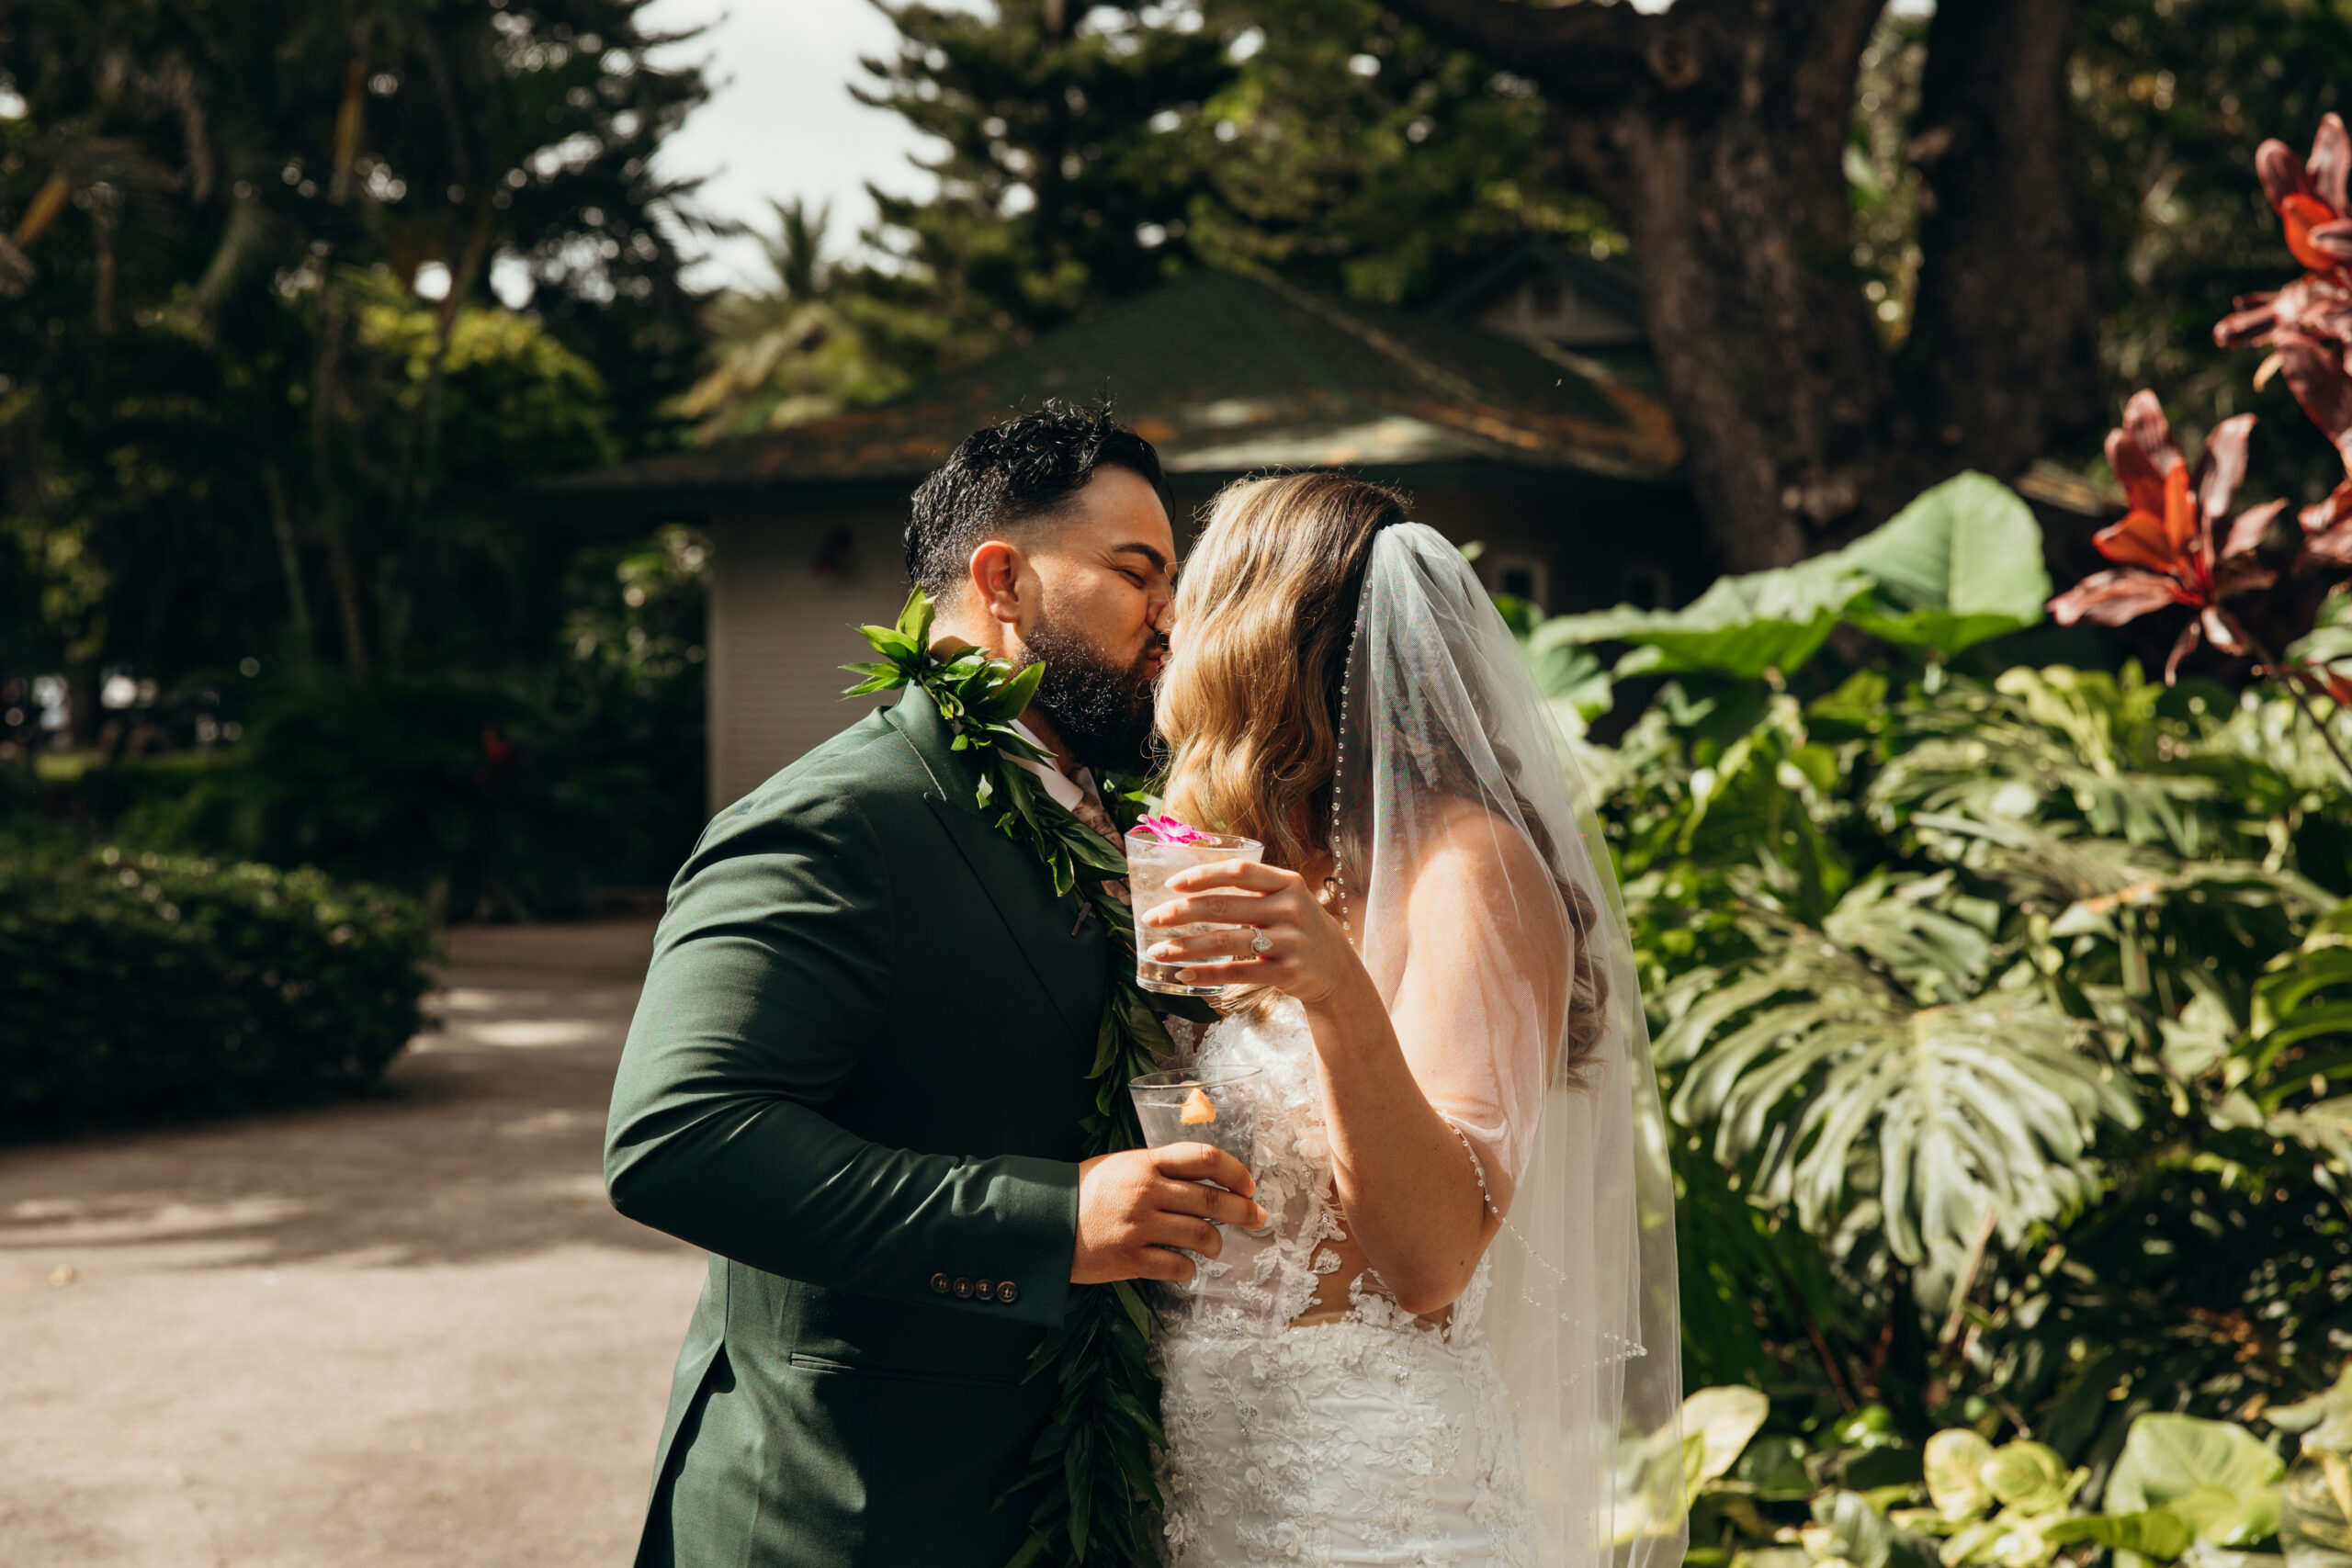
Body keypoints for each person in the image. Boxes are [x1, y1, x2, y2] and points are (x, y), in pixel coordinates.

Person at [602, 403, 1265, 1568]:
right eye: (1135, 572)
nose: (1174, 618)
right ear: (1002, 581)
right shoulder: (835, 821)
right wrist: (1054, 1221)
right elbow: (681, 1137)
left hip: (1067, 1493)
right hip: (847, 1510)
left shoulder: (1119, 825)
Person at [1138, 472, 1687, 1568]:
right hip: (1195, 1475)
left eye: (1188, 597)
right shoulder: (1260, 861)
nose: (1164, 624)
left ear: (1255, 632)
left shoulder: (1464, 865)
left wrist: (1335, 990)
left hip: (1368, 1493)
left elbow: (1432, 1259)